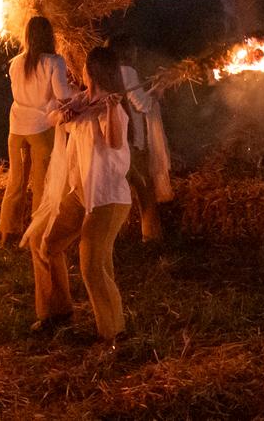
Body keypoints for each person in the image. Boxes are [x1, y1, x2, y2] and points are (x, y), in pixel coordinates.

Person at [25, 44, 132, 340]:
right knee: (44, 241)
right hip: (80, 193)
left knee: (92, 265)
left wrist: (111, 109)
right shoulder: (82, 100)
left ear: (91, 71)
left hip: (107, 198)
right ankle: (57, 311)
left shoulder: (113, 109)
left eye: (84, 67)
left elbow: (114, 143)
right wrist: (64, 114)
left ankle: (114, 334)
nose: (81, 71)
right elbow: (50, 119)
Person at [0, 16, 79, 248]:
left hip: (16, 130)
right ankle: (36, 235)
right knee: (41, 184)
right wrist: (75, 89)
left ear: (27, 36)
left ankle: (6, 233)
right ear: (49, 36)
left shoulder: (15, 63)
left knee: (15, 181)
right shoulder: (55, 61)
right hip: (41, 128)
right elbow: (63, 96)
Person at [119, 56, 172, 244]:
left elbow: (134, 98)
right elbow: (142, 105)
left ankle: (118, 238)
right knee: (145, 190)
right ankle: (151, 238)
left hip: (113, 144)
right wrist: (158, 89)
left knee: (117, 192)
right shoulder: (126, 71)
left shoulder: (102, 72)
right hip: (132, 143)